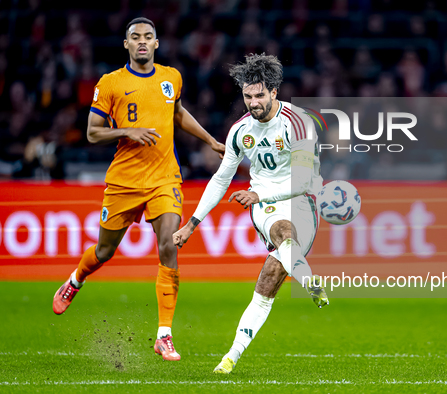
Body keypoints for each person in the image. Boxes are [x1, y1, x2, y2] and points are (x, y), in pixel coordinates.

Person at [51, 17, 225, 361]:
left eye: (148, 37)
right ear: (127, 45)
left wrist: (209, 140)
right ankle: (75, 279)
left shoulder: (171, 77)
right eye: (136, 37)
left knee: (169, 245)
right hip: (124, 181)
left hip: (164, 178)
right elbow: (92, 133)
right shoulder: (111, 83)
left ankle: (164, 334)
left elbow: (176, 113)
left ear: (156, 44)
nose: (142, 41)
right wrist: (127, 132)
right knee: (103, 252)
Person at [172, 53, 328, 374]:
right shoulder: (239, 131)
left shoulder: (298, 123)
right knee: (284, 233)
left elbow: (303, 181)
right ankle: (231, 357)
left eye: (259, 95)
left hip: (301, 201)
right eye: (247, 96)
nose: (253, 103)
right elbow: (220, 179)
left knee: (269, 278)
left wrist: (258, 193)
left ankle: (302, 272)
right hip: (268, 208)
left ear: (274, 92)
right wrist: (191, 224)